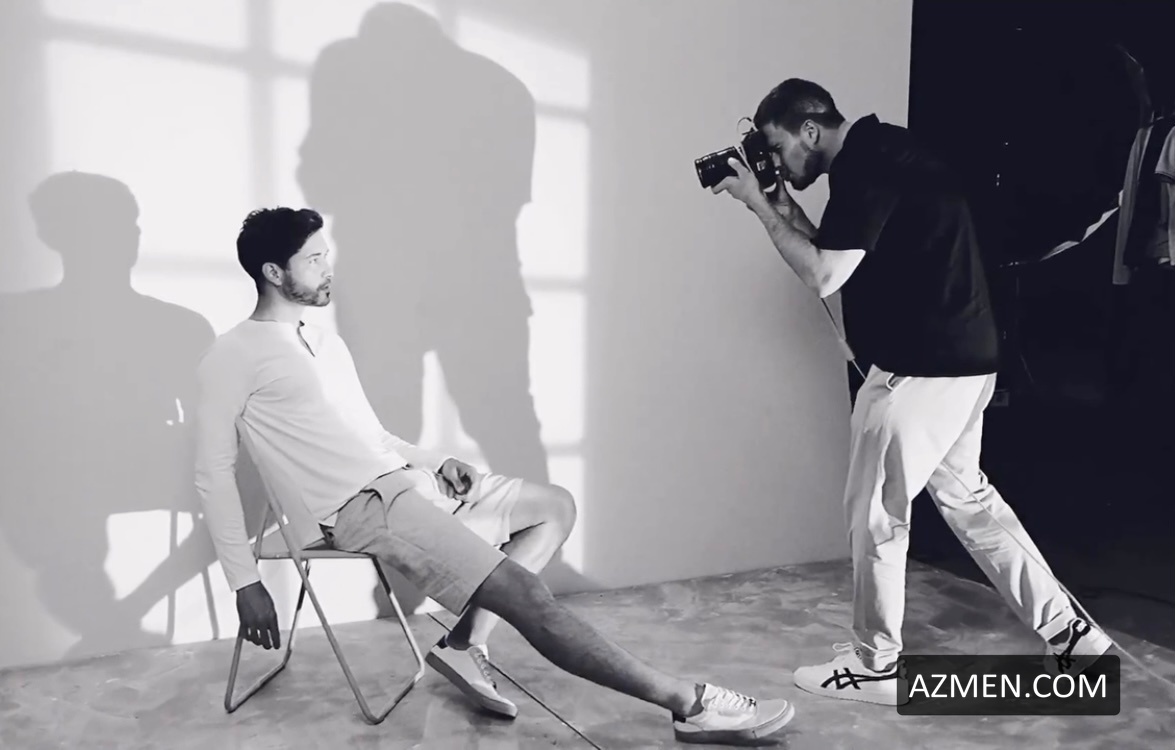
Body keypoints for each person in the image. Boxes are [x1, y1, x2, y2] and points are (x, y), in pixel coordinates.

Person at [192, 207, 795, 744]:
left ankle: (462, 643)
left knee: (554, 507)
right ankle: (689, 704)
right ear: (273, 272)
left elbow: (372, 435)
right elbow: (213, 474)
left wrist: (435, 461)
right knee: (527, 597)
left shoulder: (325, 343)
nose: (329, 269)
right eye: (314, 259)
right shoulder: (233, 354)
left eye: (327, 255)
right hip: (363, 507)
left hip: (404, 481)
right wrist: (245, 582)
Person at [710, 78, 1112, 706]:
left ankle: (875, 666)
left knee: (874, 514)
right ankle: (1074, 636)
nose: (777, 162)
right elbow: (837, 250)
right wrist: (779, 205)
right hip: (966, 361)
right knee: (970, 502)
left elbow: (823, 274)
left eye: (777, 147)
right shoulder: (881, 152)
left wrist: (759, 208)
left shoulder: (867, 167)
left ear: (809, 130)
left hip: (919, 370)